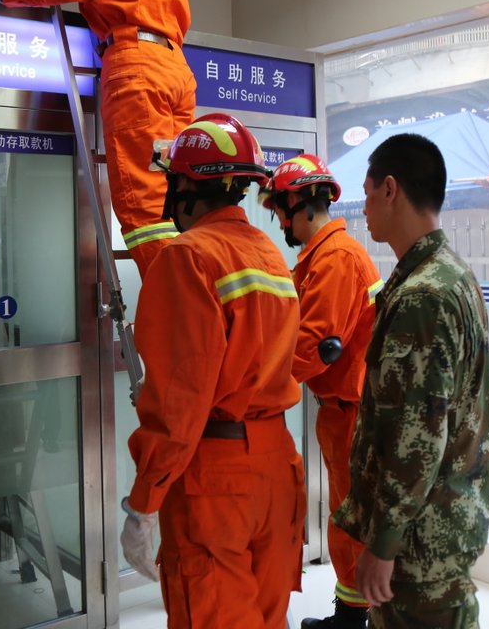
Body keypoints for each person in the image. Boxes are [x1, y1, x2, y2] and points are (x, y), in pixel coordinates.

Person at [121, 113, 306, 629]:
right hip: (277, 467)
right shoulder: (270, 256)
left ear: (185, 186)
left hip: (215, 478)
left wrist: (145, 501)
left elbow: (181, 399)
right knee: (267, 619)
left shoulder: (188, 258)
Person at [0, 0, 196, 278]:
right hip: (176, 68)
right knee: (179, 194)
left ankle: (181, 307)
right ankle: (199, 292)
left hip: (135, 64)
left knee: (144, 208)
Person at [332, 134, 489, 629]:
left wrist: (384, 544)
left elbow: (417, 437)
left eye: (365, 192)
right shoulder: (452, 275)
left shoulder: (421, 296)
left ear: (390, 188)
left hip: (419, 545)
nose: (362, 208)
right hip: (444, 523)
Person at [261, 154, 384, 629]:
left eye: (279, 209)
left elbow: (314, 346)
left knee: (353, 520)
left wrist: (255, 382)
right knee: (346, 516)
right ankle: (353, 613)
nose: (279, 220)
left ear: (301, 203)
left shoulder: (334, 259)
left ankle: (355, 622)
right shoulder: (322, 257)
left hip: (352, 410)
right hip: (342, 409)